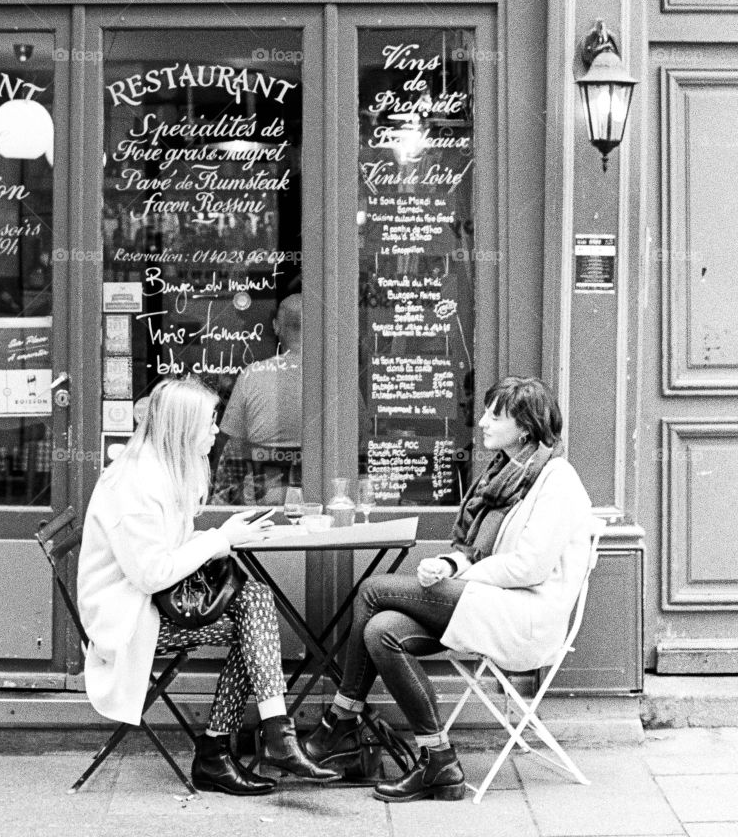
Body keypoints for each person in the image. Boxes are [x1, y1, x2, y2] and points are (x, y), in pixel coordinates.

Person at [303, 375, 594, 803]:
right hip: (489, 601)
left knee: (372, 590)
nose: (481, 423)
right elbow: (477, 552)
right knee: (381, 629)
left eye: (496, 415)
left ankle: (341, 722)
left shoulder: (557, 481)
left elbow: (529, 567)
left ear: (526, 428)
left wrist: (457, 579)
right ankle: (439, 760)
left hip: (525, 615)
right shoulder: (505, 475)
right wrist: (449, 563)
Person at [77, 374, 340, 795]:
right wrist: (220, 540)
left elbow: (167, 551)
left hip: (153, 603)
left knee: (255, 606)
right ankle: (234, 747)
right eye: (209, 422)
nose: (217, 431)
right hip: (127, 619)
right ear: (182, 429)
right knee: (254, 624)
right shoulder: (134, 484)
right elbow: (151, 573)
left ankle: (259, 737)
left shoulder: (160, 469)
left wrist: (223, 535)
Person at [212, 293, 303, 504]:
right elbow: (362, 437)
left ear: (275, 326)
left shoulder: (252, 375)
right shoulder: (338, 377)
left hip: (263, 501)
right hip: (323, 500)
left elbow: (228, 440)